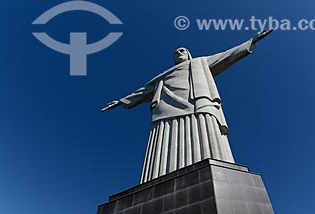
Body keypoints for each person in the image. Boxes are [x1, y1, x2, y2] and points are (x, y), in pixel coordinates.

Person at [101, 29, 273, 183]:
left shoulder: (200, 63)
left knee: (206, 136)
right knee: (162, 143)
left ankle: (218, 176)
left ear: (189, 54)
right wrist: (121, 101)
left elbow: (226, 56)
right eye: (176, 52)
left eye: (182, 50)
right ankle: (157, 181)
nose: (178, 53)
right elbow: (142, 92)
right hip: (165, 110)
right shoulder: (162, 76)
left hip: (197, 103)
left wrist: (251, 41)